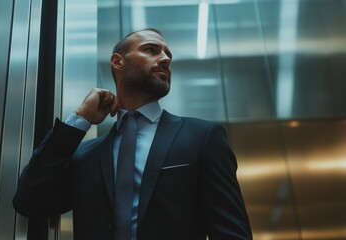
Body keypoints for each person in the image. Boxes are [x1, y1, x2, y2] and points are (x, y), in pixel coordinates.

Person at [13, 28, 252, 240]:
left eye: (168, 54)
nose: (165, 59)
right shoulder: (87, 155)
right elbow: (30, 201)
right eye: (151, 50)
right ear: (118, 61)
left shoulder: (202, 137)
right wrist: (79, 120)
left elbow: (231, 231)